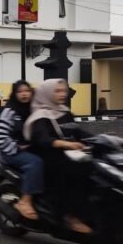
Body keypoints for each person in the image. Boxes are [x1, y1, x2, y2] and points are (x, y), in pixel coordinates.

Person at [24, 79, 92, 234]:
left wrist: (105, 140)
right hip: (46, 156)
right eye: (57, 91)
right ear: (47, 93)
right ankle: (68, 216)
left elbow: (78, 132)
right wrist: (65, 144)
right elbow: (41, 138)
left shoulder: (65, 112)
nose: (62, 94)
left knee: (93, 167)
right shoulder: (40, 115)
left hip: (68, 153)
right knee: (74, 172)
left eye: (64, 91)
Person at [0, 81, 43, 219]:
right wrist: (17, 146)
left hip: (31, 149)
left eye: (27, 91)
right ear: (14, 94)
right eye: (20, 91)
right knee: (36, 162)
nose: (24, 94)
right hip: (11, 152)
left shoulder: (34, 109)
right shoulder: (10, 112)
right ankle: (25, 201)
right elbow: (0, 137)